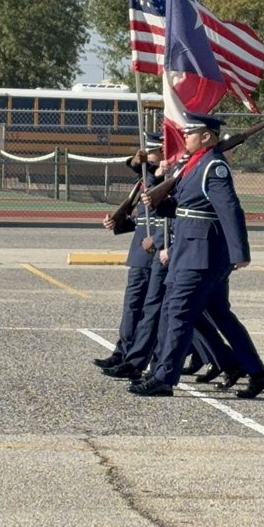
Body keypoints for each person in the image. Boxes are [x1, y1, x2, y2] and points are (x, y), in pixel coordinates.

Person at [130, 113, 264, 398]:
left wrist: (240, 252)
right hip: (190, 252)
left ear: (207, 136)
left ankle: (164, 378)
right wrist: (158, 203)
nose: (185, 136)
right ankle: (258, 373)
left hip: (202, 255)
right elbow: (186, 208)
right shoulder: (195, 164)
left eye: (191, 133)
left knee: (178, 312)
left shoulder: (213, 166)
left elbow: (230, 209)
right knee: (220, 315)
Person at [92, 134, 166, 377]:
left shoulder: (166, 179)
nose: (144, 158)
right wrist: (118, 223)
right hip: (140, 252)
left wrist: (158, 241)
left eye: (150, 153)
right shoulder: (145, 179)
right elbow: (141, 218)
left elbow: (168, 218)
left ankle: (136, 359)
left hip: (157, 250)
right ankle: (122, 352)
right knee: (133, 305)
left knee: (154, 310)